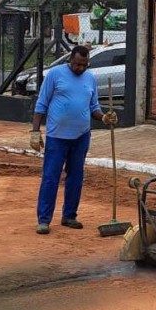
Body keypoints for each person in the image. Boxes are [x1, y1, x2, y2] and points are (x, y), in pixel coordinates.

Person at [30, 45, 117, 235]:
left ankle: (69, 216)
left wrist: (103, 117)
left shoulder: (90, 78)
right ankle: (44, 220)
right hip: (57, 137)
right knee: (51, 178)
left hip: (81, 136)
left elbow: (93, 106)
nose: (80, 68)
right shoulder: (55, 74)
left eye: (84, 65)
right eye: (77, 64)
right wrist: (35, 132)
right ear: (71, 60)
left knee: (75, 178)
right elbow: (42, 103)